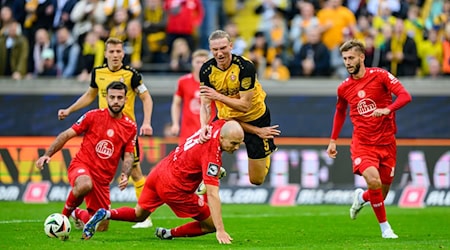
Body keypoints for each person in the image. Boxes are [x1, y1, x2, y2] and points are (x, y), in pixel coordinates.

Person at [82, 119, 244, 245]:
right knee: (211, 225)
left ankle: (106, 213)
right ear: (222, 138)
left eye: (239, 143)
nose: (236, 147)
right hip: (175, 188)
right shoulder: (212, 155)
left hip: (159, 172)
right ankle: (169, 233)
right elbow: (212, 193)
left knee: (139, 214)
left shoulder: (217, 125)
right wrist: (221, 230)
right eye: (233, 143)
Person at [57, 37, 154, 229]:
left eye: (119, 51)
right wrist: (70, 110)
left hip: (126, 133)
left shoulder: (131, 74)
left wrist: (147, 122)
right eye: (112, 51)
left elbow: (146, 97)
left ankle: (144, 216)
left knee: (135, 172)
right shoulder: (98, 73)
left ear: (123, 53)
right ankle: (80, 211)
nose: (116, 55)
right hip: (102, 131)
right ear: (106, 53)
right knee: (94, 172)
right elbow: (90, 95)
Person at [326, 39, 412, 239]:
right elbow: (340, 112)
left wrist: (387, 109)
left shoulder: (381, 76)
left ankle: (361, 197)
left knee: (380, 193)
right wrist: (333, 140)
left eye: (351, 58)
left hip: (387, 142)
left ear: (362, 57)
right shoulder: (344, 88)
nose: (347, 62)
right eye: (345, 58)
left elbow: (405, 96)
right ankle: (385, 229)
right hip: (363, 144)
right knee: (373, 181)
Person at [36, 81, 137, 233]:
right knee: (84, 184)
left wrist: (125, 174)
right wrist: (47, 155)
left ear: (125, 100)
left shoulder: (130, 127)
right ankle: (62, 219)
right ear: (106, 97)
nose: (116, 101)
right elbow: (67, 134)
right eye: (112, 97)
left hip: (103, 181)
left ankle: (77, 213)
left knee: (101, 227)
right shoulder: (93, 116)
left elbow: (129, 155)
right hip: (83, 166)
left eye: (119, 98)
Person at [199, 30, 280, 186]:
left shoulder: (245, 67)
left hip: (255, 117)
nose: (219, 53)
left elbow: (245, 106)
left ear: (231, 46)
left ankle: (265, 152)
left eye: (223, 48)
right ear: (210, 49)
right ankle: (211, 172)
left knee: (256, 180)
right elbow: (205, 105)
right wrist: (204, 126)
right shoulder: (206, 71)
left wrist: (219, 96)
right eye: (215, 50)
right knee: (204, 140)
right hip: (227, 118)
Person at [170, 49, 215, 145]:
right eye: (197, 62)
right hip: (187, 132)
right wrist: (175, 123)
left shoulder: (215, 82)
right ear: (192, 63)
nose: (200, 65)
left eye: (203, 62)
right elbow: (176, 103)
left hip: (208, 131)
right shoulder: (183, 81)